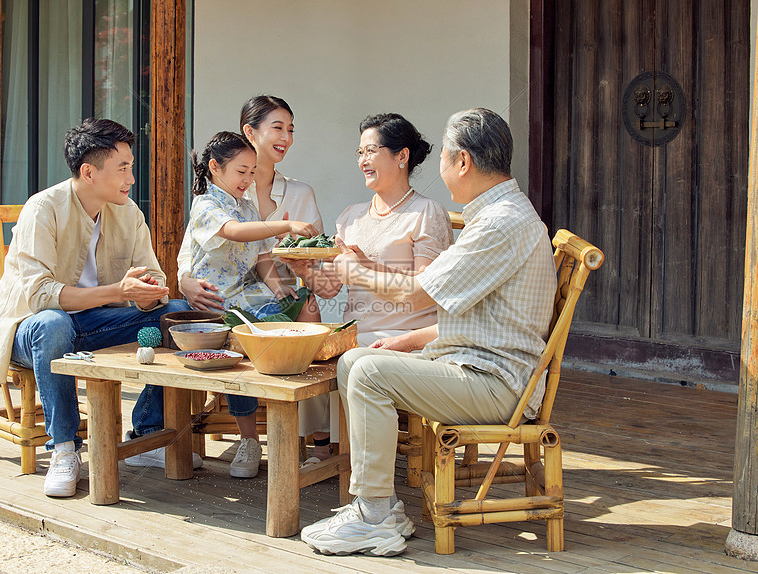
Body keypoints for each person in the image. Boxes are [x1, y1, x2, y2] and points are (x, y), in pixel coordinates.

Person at [300, 108, 558, 556]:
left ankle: (376, 513)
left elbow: (421, 292)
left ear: (463, 162)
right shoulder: (501, 215)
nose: (438, 166)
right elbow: (479, 318)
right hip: (479, 364)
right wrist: (411, 339)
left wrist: (355, 271)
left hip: (496, 383)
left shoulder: (499, 223)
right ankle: (376, 506)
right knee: (357, 361)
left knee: (365, 371)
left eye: (443, 157)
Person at [0, 118, 193, 499]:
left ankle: (148, 430)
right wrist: (118, 289)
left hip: (95, 326)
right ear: (89, 172)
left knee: (175, 313)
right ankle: (65, 448)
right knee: (54, 324)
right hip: (31, 332)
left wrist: (148, 293)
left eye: (131, 166)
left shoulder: (128, 213)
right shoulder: (42, 208)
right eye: (124, 168)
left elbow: (156, 281)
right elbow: (41, 296)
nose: (132, 177)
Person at [283, 112, 452, 464]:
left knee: (337, 355)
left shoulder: (426, 212)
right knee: (305, 349)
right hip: (354, 333)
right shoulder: (351, 215)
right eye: (359, 152)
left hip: (404, 337)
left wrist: (362, 270)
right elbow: (330, 288)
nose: (362, 160)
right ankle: (326, 446)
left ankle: (354, 457)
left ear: (402, 156)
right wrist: (306, 271)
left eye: (371, 150)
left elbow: (427, 289)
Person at [183, 130, 320, 478]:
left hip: (249, 294)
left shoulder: (246, 205)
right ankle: (250, 439)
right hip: (215, 300)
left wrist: (277, 288)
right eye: (241, 171)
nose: (248, 179)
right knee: (249, 345)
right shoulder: (206, 204)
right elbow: (233, 232)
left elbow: (260, 257)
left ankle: (301, 435)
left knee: (297, 320)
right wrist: (286, 223)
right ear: (215, 167)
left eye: (252, 172)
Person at [178, 95, 324, 312]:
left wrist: (290, 274)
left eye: (290, 130)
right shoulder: (210, 201)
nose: (286, 137)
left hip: (254, 294)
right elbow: (199, 247)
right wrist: (184, 281)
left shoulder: (292, 196)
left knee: (305, 304)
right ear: (249, 131)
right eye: (278, 128)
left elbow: (263, 256)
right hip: (217, 296)